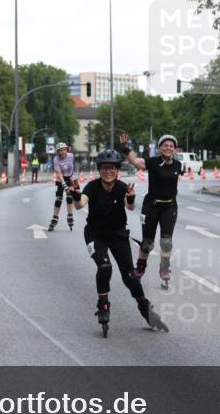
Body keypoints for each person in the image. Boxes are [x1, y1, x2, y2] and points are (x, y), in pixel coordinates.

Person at [68, 149, 168, 334]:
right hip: (95, 235)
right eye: (104, 168)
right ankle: (103, 306)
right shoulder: (92, 186)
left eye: (112, 168)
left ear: (117, 170)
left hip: (118, 235)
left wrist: (130, 199)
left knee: (130, 277)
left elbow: (130, 207)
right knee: (105, 267)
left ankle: (145, 308)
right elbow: (81, 204)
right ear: (99, 170)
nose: (108, 171)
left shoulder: (122, 187)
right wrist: (75, 196)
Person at [118, 133, 182, 286]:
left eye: (171, 146)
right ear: (160, 148)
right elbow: (136, 162)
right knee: (147, 243)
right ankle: (140, 268)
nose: (168, 148)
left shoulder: (178, 165)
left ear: (174, 149)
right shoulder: (153, 162)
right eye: (165, 145)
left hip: (169, 207)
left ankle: (164, 269)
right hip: (151, 207)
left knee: (166, 242)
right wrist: (126, 148)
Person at [49, 142, 77, 232]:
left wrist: (72, 181)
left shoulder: (71, 156)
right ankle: (55, 217)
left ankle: (70, 215)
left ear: (66, 150)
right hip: (60, 179)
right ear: (58, 152)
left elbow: (72, 168)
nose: (62, 152)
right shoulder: (56, 160)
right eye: (60, 151)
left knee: (69, 198)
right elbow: (59, 173)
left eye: (64, 150)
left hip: (69, 178)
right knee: (58, 200)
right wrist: (64, 184)